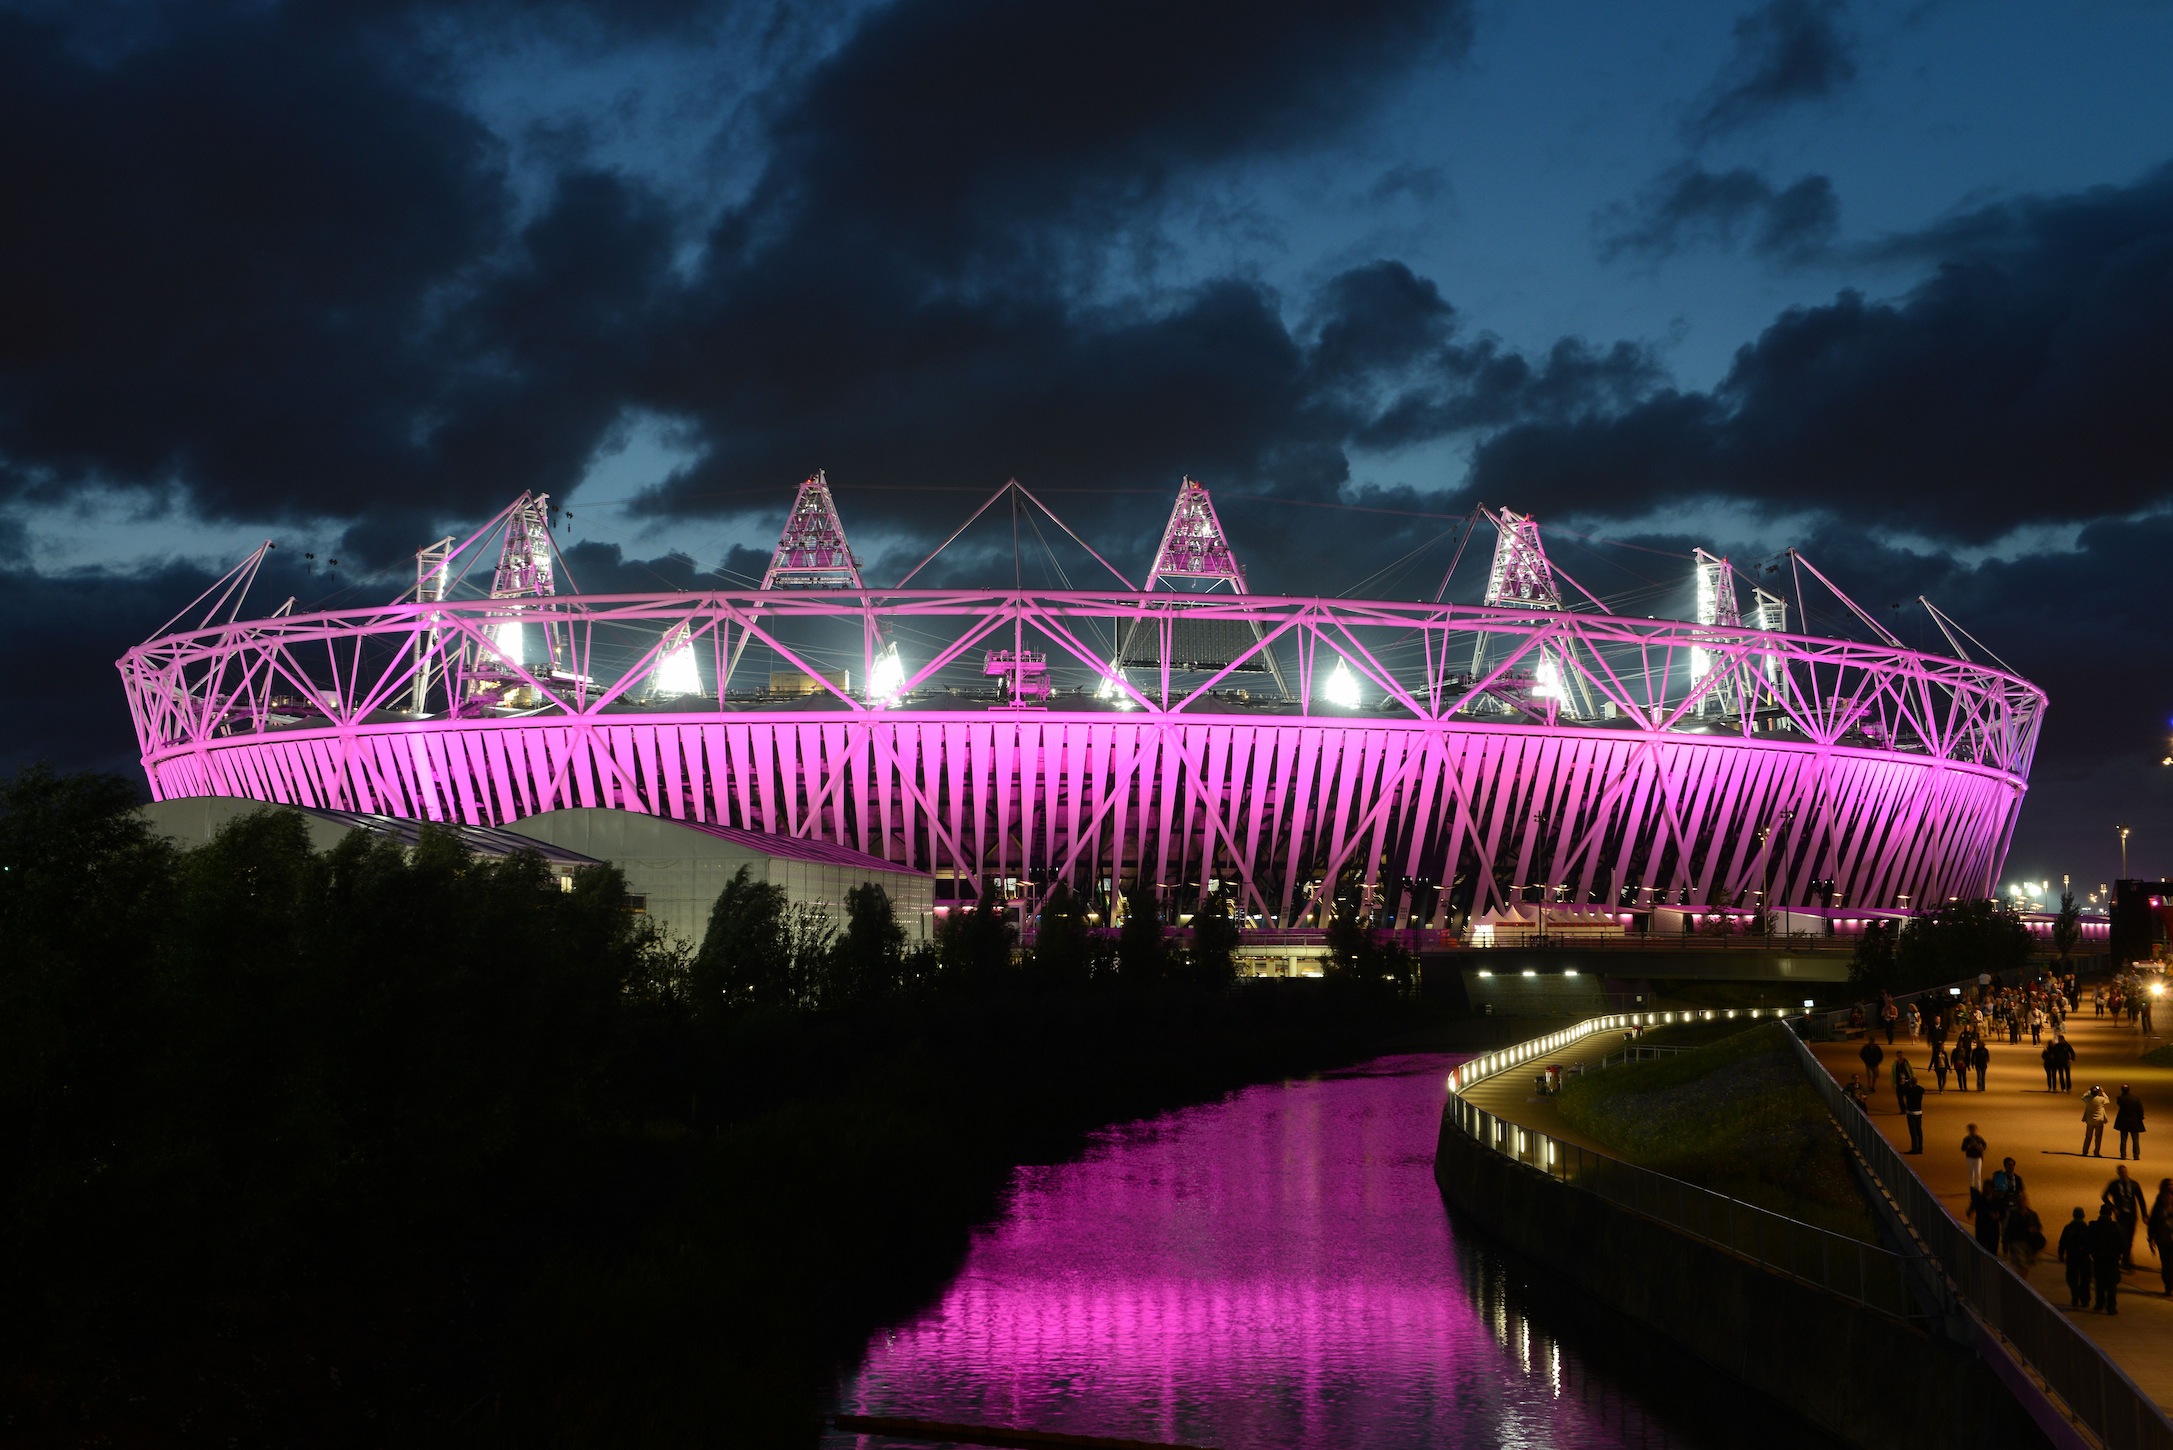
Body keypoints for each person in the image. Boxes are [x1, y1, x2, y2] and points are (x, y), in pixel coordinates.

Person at [2106, 1165, 2145, 1270]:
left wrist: (2144, 1215)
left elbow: (2141, 1200)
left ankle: (2125, 1259)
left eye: (2125, 1172)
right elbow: (2104, 1196)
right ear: (2118, 1173)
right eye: (2122, 1172)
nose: (2124, 1174)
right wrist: (2113, 1208)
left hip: (2132, 1215)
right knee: (2123, 1237)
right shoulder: (2114, 1184)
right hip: (2121, 1215)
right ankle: (2126, 1260)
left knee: (2130, 1237)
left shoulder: (2134, 1185)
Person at [2091, 1204, 2126, 1313]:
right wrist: (2120, 1255)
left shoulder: (2093, 1226)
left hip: (2098, 1259)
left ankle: (2099, 1303)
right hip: (2112, 1260)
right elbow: (2124, 1244)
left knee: (2100, 1282)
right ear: (2110, 1214)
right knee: (2111, 1284)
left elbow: (2088, 1242)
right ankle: (2111, 1306)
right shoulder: (2116, 1227)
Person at [2059, 1207, 2093, 1307]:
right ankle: (2085, 1300)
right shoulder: (2087, 1228)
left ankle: (2075, 1293)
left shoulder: (2068, 1228)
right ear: (2083, 1216)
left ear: (2073, 1216)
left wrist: (2061, 1254)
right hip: (2084, 1258)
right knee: (2085, 1280)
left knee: (2071, 1278)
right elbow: (2092, 1243)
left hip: (2072, 1257)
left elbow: (2062, 1243)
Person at [2006, 1190, 2045, 1271]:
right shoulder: (2013, 1214)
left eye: (2023, 1199)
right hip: (2017, 1243)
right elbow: (2009, 1228)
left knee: (2025, 1267)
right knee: (2022, 1266)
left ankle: (2019, 1282)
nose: (2021, 1202)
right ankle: (2018, 1282)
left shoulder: (2032, 1214)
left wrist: (2034, 1229)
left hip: (2029, 1243)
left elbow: (2039, 1226)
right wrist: (2007, 1242)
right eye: (2019, 1200)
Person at [2151, 1180, 2173, 1296]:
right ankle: (2168, 1288)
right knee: (2166, 1264)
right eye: (2169, 1185)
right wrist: (2151, 1238)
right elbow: (2153, 1220)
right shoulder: (2160, 1201)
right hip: (2163, 1238)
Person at [2117, 1083, 2147, 1161]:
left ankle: (2123, 1155)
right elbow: (2140, 1110)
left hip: (2123, 1121)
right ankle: (2136, 1155)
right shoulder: (2136, 1099)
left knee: (2123, 1139)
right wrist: (2140, 1118)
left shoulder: (2120, 1098)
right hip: (2134, 1121)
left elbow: (2119, 1104)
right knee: (2135, 1139)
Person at [2084, 1085, 2111, 1157]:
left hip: (2090, 1120)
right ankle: (2096, 1152)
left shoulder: (2088, 1099)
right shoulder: (2101, 1099)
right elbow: (2107, 1099)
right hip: (2099, 1120)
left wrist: (2089, 1090)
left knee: (2088, 1137)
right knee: (2098, 1138)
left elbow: (2083, 1096)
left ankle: (2085, 1151)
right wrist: (2102, 1092)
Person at [1902, 1076, 1925, 1153]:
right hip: (1919, 1112)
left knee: (1913, 1132)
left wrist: (1906, 1083)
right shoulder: (1920, 1089)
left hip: (1911, 1112)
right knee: (1919, 1130)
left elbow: (1902, 1090)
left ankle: (1914, 1148)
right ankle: (1920, 1147)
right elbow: (1922, 1089)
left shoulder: (1908, 1090)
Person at [1962, 1124, 1988, 1190]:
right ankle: (1971, 1187)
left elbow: (1984, 1145)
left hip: (1978, 1158)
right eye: (1971, 1130)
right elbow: (1962, 1148)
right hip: (1969, 1158)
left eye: (1974, 1129)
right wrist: (1969, 1146)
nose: (1973, 1131)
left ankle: (1978, 1188)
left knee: (1978, 1172)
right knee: (1970, 1173)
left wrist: (1982, 1148)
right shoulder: (1966, 1139)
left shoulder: (1979, 1138)